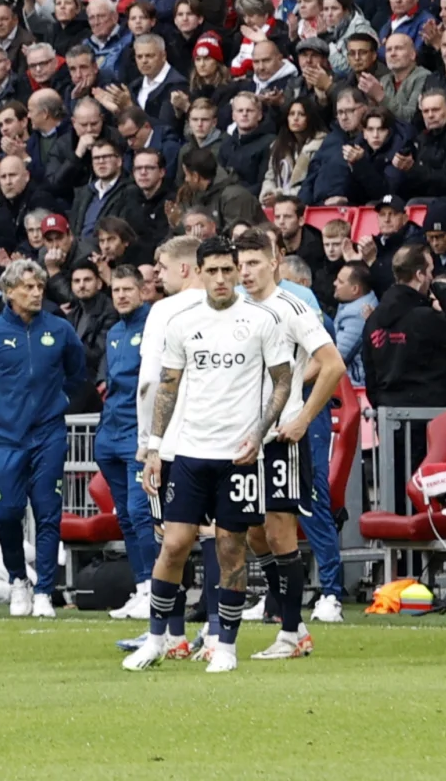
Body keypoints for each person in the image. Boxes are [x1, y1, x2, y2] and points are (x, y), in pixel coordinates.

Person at [122, 236, 285, 674]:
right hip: (190, 452)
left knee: (231, 548)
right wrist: (154, 447)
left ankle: (225, 646)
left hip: (239, 456)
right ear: (198, 271)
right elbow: (167, 387)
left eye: (227, 270)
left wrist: (260, 433)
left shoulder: (261, 321)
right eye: (211, 270)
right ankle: (158, 639)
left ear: (237, 272)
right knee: (173, 544)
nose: (220, 278)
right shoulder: (181, 322)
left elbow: (282, 382)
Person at [237, 225, 346, 651]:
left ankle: (290, 629)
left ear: (274, 262)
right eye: (241, 264)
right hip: (244, 438)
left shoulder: (294, 307)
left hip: (282, 438)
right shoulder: (236, 310)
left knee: (281, 529)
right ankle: (288, 616)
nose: (245, 273)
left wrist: (302, 416)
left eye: (254, 263)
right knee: (249, 528)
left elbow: (332, 364)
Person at [0, 256, 86, 618]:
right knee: (7, 513)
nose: (37, 293)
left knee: (48, 513)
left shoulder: (60, 329)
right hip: (7, 438)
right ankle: (18, 579)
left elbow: (77, 372)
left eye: (39, 287)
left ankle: (44, 592)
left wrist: (56, 402)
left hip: (49, 434)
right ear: (8, 292)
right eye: (28, 288)